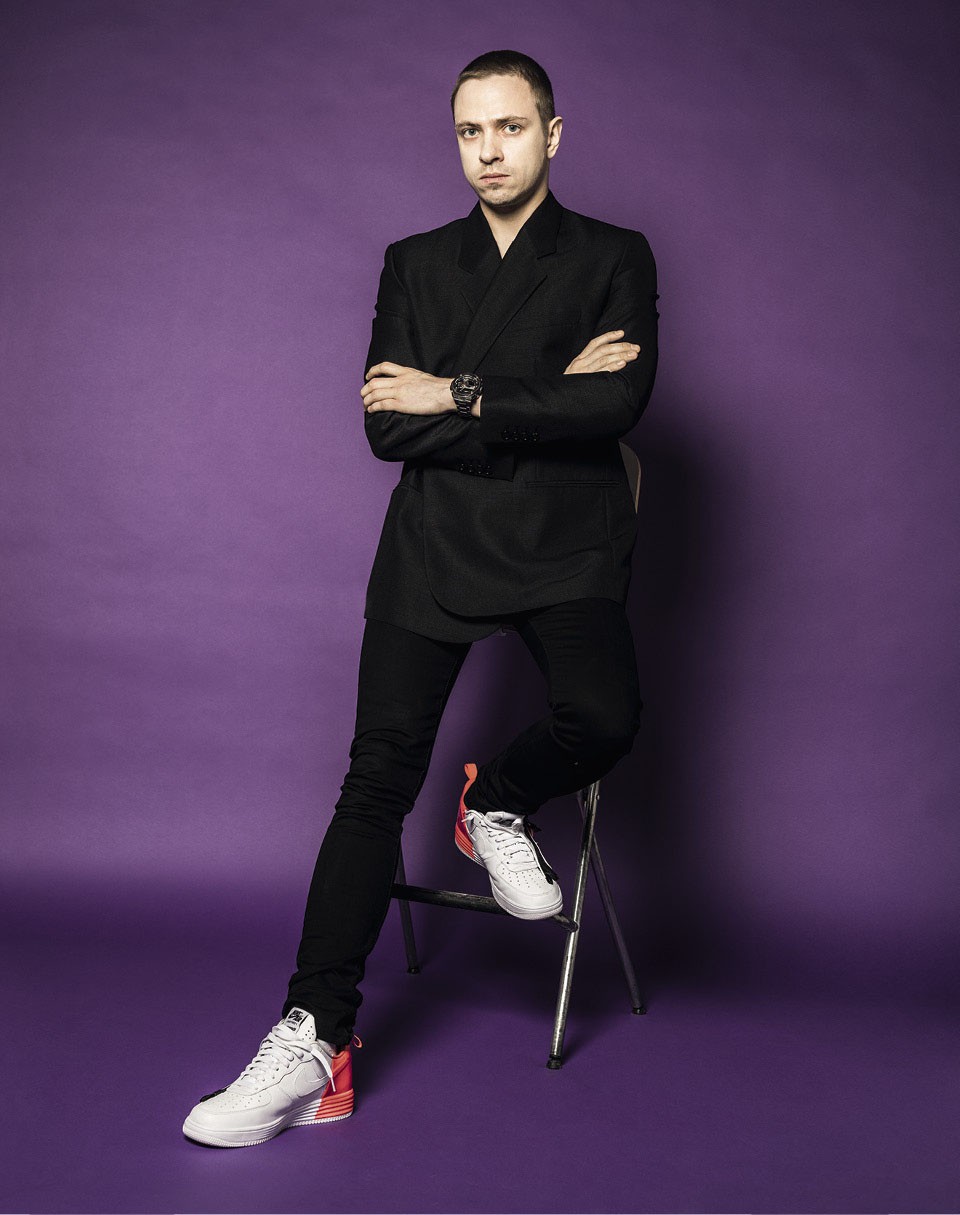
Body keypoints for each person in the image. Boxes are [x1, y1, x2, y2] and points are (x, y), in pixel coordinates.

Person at [182, 48, 658, 1148]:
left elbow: (618, 407)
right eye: (469, 132)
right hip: (434, 545)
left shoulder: (613, 254)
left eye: (510, 127)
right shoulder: (414, 260)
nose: (489, 151)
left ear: (552, 133)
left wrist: (458, 390)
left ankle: (496, 799)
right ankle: (315, 1039)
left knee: (606, 714)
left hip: (568, 543)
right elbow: (387, 428)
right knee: (375, 778)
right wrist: (546, 397)